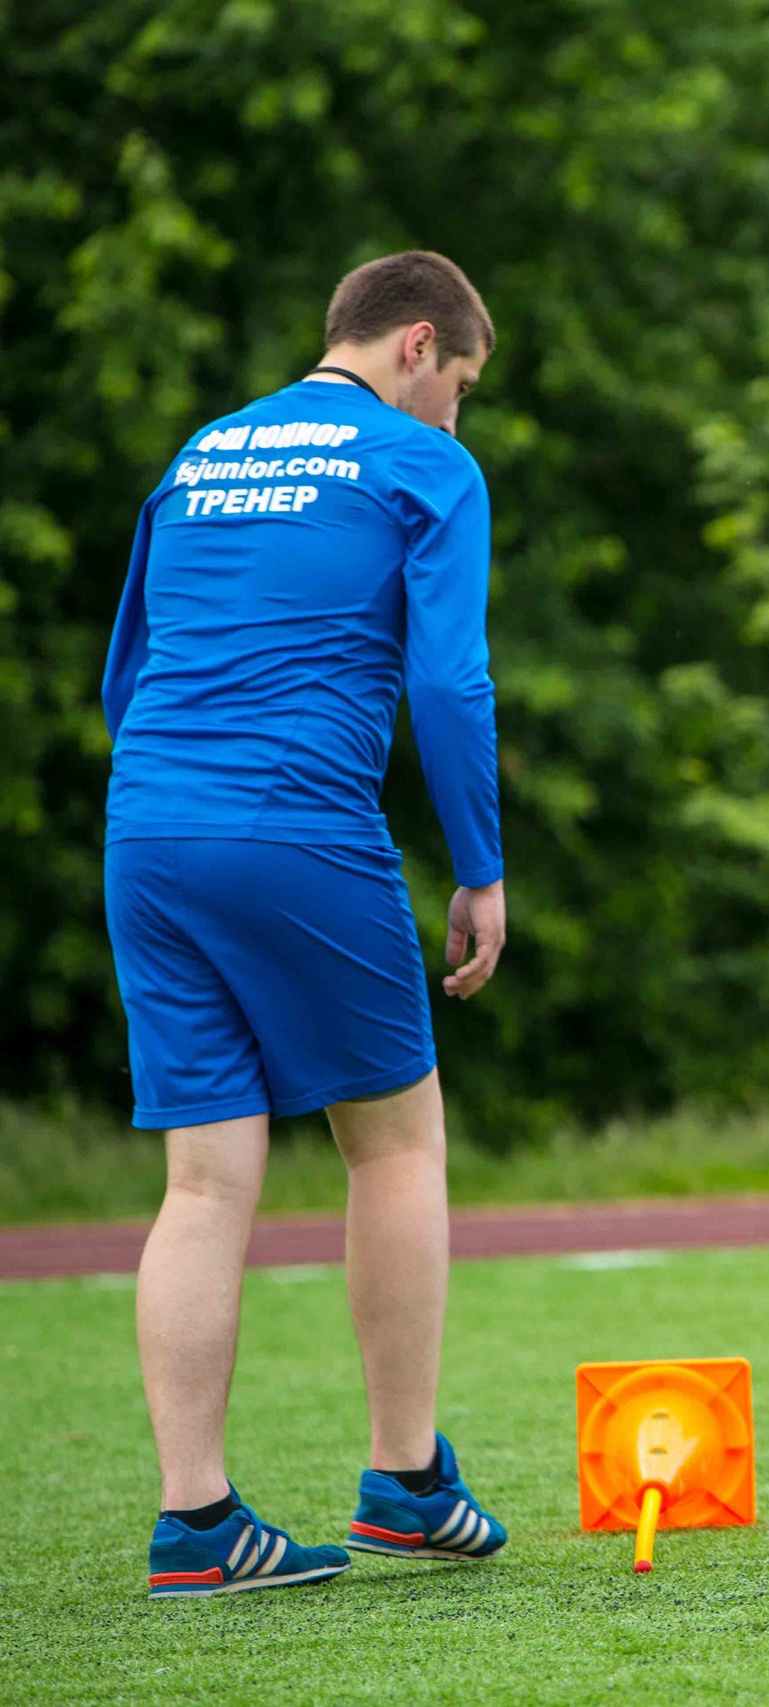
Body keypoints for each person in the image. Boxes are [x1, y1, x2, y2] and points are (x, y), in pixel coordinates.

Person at [104, 252, 512, 1596]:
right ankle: (406, 1479)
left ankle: (197, 1521)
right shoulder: (422, 462)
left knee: (204, 1179)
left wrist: (178, 812)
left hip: (146, 824)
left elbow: (129, 668)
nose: (454, 412)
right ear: (417, 345)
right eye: (460, 384)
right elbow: (448, 682)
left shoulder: (205, 451)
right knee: (394, 1141)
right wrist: (479, 865)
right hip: (293, 822)